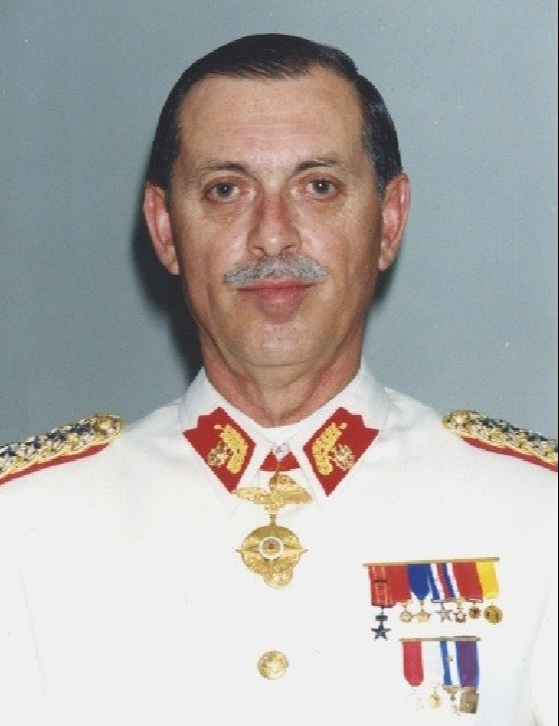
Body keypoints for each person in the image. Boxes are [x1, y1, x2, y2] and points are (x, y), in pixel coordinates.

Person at [0, 33, 556, 726]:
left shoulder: (535, 512)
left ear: (388, 220)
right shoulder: (25, 523)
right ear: (165, 229)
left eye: (318, 187)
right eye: (226, 190)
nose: (272, 235)